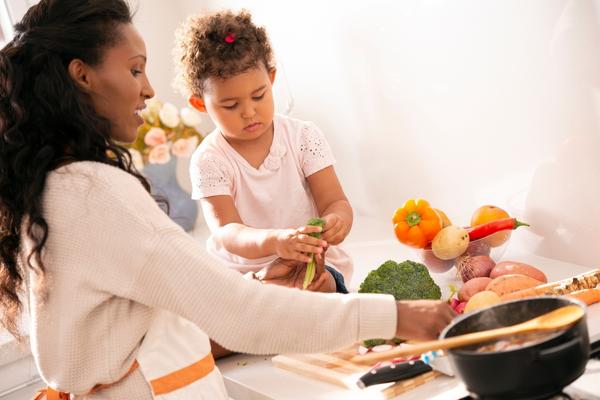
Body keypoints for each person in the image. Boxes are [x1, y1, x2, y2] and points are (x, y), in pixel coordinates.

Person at [0, 1, 455, 399]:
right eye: (135, 68)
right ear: (83, 76)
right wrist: (397, 316)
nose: (148, 89)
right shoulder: (96, 194)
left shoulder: (55, 185)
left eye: (258, 96)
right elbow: (237, 310)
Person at [174, 10, 354, 294]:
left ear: (271, 79)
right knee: (231, 301)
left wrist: (336, 223)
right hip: (243, 273)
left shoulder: (303, 137)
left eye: (259, 96)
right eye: (231, 105)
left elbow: (335, 202)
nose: (249, 112)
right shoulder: (209, 159)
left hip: (309, 263)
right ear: (200, 104)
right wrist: (277, 241)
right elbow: (227, 232)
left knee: (322, 286)